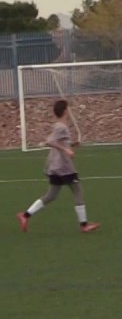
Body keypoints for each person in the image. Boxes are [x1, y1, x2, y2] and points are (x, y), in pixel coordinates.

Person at [16, 100, 100, 234]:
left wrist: (71, 145)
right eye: (68, 108)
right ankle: (84, 225)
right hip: (64, 167)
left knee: (51, 195)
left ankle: (25, 215)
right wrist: (67, 151)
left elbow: (58, 142)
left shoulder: (59, 126)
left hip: (55, 166)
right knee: (77, 192)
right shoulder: (61, 127)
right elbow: (49, 142)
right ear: (65, 110)